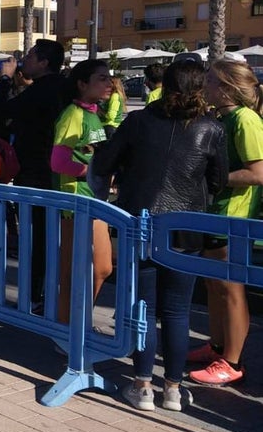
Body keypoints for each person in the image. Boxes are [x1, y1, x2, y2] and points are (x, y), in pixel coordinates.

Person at [93, 60, 227, 412]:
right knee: (178, 311)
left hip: (142, 223)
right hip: (186, 227)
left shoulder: (139, 121)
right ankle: (172, 388)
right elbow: (218, 181)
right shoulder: (211, 128)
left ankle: (142, 385)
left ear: (163, 86)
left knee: (145, 309)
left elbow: (104, 163)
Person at [189, 58, 263, 387]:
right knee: (214, 286)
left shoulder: (246, 120)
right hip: (216, 212)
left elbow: (258, 173)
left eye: (211, 81)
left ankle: (231, 361)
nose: (205, 86)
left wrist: (213, 180)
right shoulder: (223, 117)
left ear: (227, 87)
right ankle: (217, 346)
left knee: (231, 289)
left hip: (234, 217)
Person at [0, 39, 65, 310]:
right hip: (49, 172)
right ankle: (42, 295)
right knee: (45, 235)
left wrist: (5, 79)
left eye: (30, 56)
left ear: (43, 62)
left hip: (35, 172)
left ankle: (35, 297)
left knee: (37, 236)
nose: (23, 61)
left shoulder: (43, 90)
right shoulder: (59, 88)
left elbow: (0, 110)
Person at [51, 59, 114, 325]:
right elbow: (57, 162)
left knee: (101, 268)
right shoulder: (72, 114)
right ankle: (68, 331)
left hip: (95, 199)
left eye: (109, 77)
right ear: (82, 83)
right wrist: (93, 170)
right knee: (75, 272)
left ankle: (77, 325)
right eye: (101, 78)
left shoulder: (94, 113)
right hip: (75, 202)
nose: (109, 83)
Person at [101, 75, 127, 139]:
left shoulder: (115, 96)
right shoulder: (114, 96)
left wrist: (100, 113)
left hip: (110, 127)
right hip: (111, 127)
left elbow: (111, 115)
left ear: (113, 84)